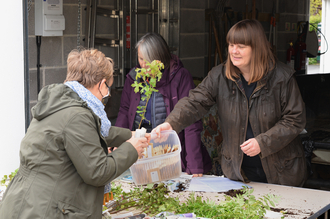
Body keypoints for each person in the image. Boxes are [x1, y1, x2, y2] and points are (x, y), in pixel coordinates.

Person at [153, 19, 308, 187]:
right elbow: (194, 102)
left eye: (241, 46)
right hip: (238, 172)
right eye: (231, 45)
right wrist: (171, 123)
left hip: (281, 172)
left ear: (257, 48)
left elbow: (295, 120)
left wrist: (262, 143)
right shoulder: (219, 76)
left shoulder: (282, 78)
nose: (234, 51)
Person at [0, 49, 150, 219]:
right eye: (108, 88)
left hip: (26, 202)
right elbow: (98, 172)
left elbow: (92, 134)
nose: (107, 95)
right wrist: (131, 148)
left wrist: (129, 135)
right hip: (43, 210)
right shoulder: (77, 115)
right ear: (101, 85)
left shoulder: (61, 103)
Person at [115, 32, 212, 177]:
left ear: (160, 59)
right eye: (140, 58)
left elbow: (190, 120)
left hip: (170, 150)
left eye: (148, 60)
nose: (143, 64)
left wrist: (195, 165)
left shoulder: (180, 76)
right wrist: (118, 142)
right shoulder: (134, 77)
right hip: (142, 150)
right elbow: (124, 110)